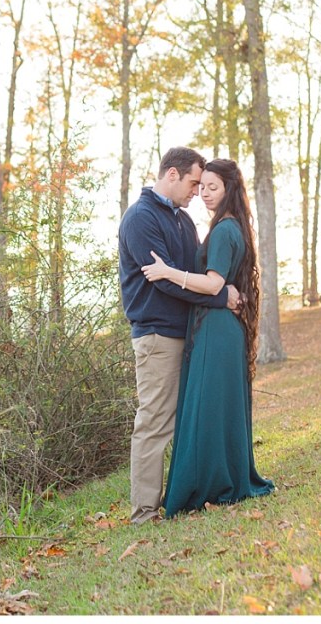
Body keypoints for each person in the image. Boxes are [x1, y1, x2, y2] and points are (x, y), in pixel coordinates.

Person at [141, 158, 275, 516]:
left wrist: (169, 272)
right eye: (201, 187)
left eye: (212, 187)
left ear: (230, 189)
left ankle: (211, 485)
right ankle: (220, 479)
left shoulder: (225, 230)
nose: (203, 194)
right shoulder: (230, 227)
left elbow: (215, 283)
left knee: (208, 409)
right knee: (214, 408)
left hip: (217, 330)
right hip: (217, 328)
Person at [118, 147, 241, 524]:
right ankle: (143, 512)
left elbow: (195, 276)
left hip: (187, 333)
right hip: (157, 335)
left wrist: (219, 289)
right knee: (154, 422)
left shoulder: (183, 222)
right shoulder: (140, 218)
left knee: (183, 418)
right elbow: (166, 282)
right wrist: (222, 298)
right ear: (172, 175)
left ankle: (185, 494)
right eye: (192, 183)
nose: (196, 192)